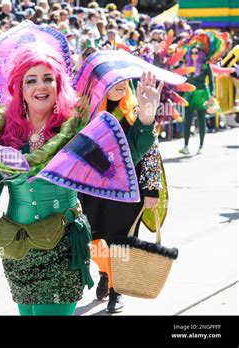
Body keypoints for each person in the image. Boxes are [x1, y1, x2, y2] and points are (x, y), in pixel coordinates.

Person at [0, 46, 160, 316]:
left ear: (58, 84)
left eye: (47, 78)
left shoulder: (76, 127)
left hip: (62, 246)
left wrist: (145, 119)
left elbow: (121, 158)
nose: (40, 86)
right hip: (17, 248)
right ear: (19, 87)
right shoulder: (2, 132)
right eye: (31, 80)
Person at [79, 77, 163, 313]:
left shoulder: (136, 111)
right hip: (93, 192)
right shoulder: (87, 114)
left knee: (122, 240)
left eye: (124, 79)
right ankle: (106, 272)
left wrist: (151, 189)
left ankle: (118, 289)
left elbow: (151, 152)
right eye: (113, 79)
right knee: (94, 240)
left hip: (128, 192)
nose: (120, 83)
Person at [179, 45, 215, 155]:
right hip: (189, 95)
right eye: (192, 53)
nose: (194, 55)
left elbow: (211, 81)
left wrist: (212, 95)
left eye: (196, 53)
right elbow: (182, 79)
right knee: (187, 121)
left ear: (200, 54)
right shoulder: (187, 64)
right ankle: (185, 146)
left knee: (201, 119)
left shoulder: (205, 65)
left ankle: (201, 146)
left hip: (201, 94)